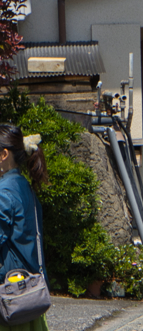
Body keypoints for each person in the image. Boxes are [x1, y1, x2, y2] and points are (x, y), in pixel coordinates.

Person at [0, 124, 49, 331]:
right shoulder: (26, 187)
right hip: (28, 296)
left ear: (3, 154)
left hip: (8, 302)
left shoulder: (4, 192)